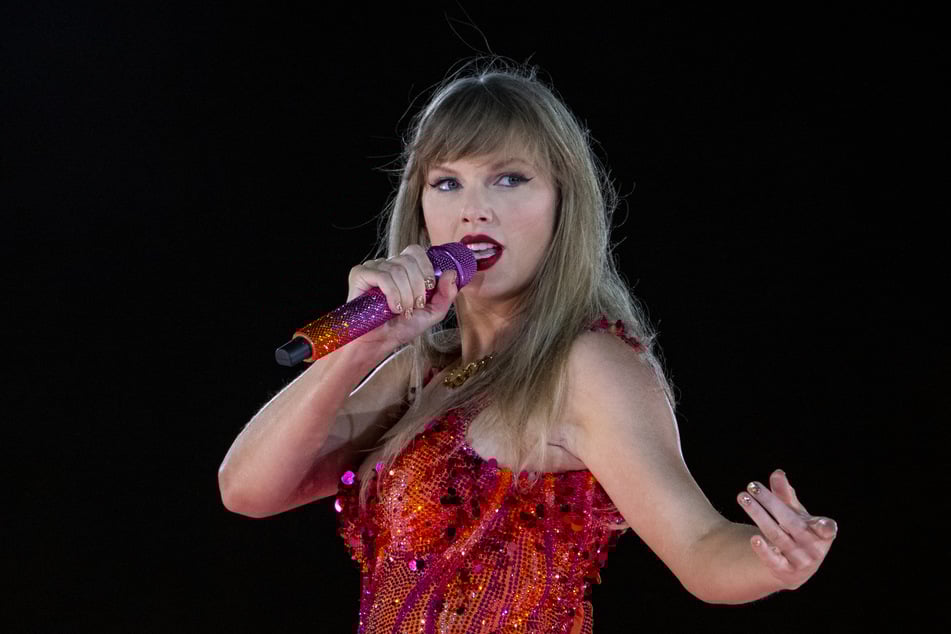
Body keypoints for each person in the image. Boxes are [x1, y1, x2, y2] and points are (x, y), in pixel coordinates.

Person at [217, 60, 838, 633]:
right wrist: (358, 350)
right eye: (447, 183)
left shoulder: (585, 364)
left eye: (509, 179)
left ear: (562, 201)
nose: (473, 212)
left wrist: (777, 562)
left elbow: (701, 549)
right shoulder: (421, 369)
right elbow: (245, 490)